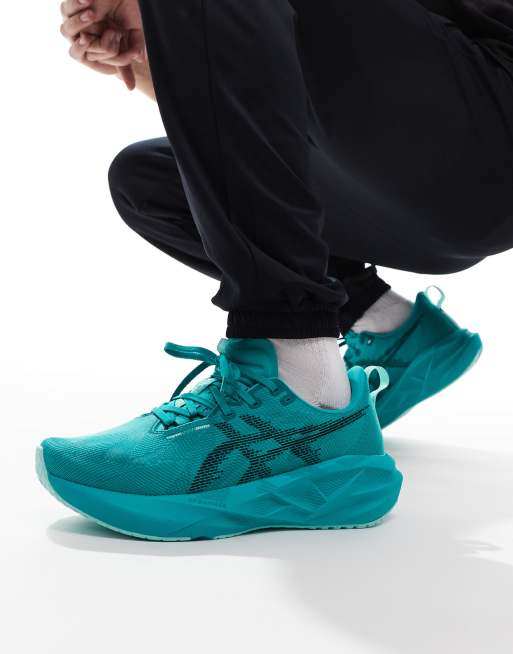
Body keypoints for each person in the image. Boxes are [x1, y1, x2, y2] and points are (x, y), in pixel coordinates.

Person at [37, 0, 512, 540]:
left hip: (488, 135)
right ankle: (387, 328)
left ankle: (296, 391)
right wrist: (162, 48)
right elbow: (262, 121)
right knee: (147, 182)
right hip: (430, 179)